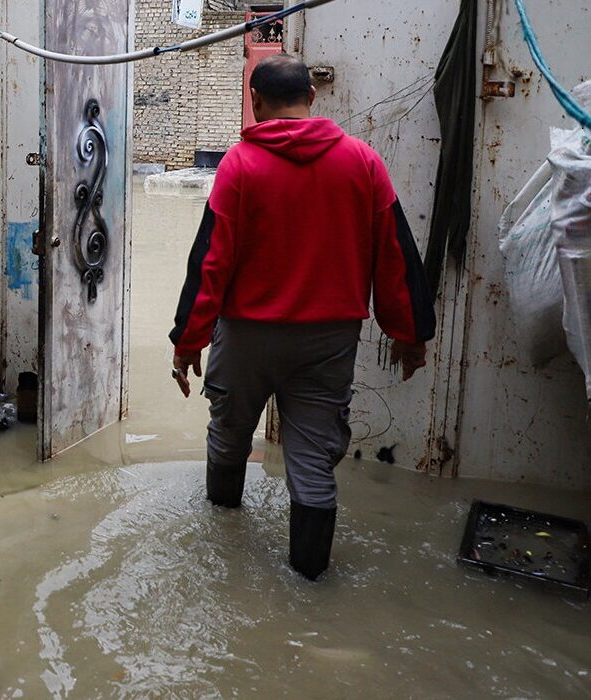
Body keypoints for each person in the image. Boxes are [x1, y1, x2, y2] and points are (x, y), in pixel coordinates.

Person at [169, 54, 436, 581]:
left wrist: (188, 341)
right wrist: (410, 335)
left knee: (229, 435)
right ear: (312, 98)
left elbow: (210, 263)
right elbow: (397, 257)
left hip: (246, 336)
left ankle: (222, 541)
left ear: (256, 103)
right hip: (329, 340)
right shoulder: (363, 162)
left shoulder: (239, 166)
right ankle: (310, 583)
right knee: (313, 463)